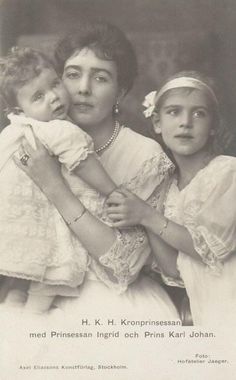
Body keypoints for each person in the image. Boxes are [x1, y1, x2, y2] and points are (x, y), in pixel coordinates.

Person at [1, 21, 179, 321]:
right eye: (72, 75)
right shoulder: (31, 139)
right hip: (34, 289)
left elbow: (125, 265)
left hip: (111, 302)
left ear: (120, 91)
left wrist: (54, 186)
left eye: (100, 78)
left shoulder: (145, 156)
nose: (83, 88)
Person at [0, 46, 127, 313]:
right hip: (40, 221)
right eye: (38, 96)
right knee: (50, 278)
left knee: (20, 282)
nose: (54, 98)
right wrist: (113, 191)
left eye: (55, 84)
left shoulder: (15, 130)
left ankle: (15, 305)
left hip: (17, 222)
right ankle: (31, 320)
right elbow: (84, 162)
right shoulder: (59, 129)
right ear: (19, 110)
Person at [106, 71, 236, 326]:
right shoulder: (168, 187)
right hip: (206, 307)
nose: (186, 122)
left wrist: (146, 214)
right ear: (157, 122)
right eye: (174, 112)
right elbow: (173, 270)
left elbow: (209, 249)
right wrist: (146, 210)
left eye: (199, 114)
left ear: (212, 127)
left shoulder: (227, 173)